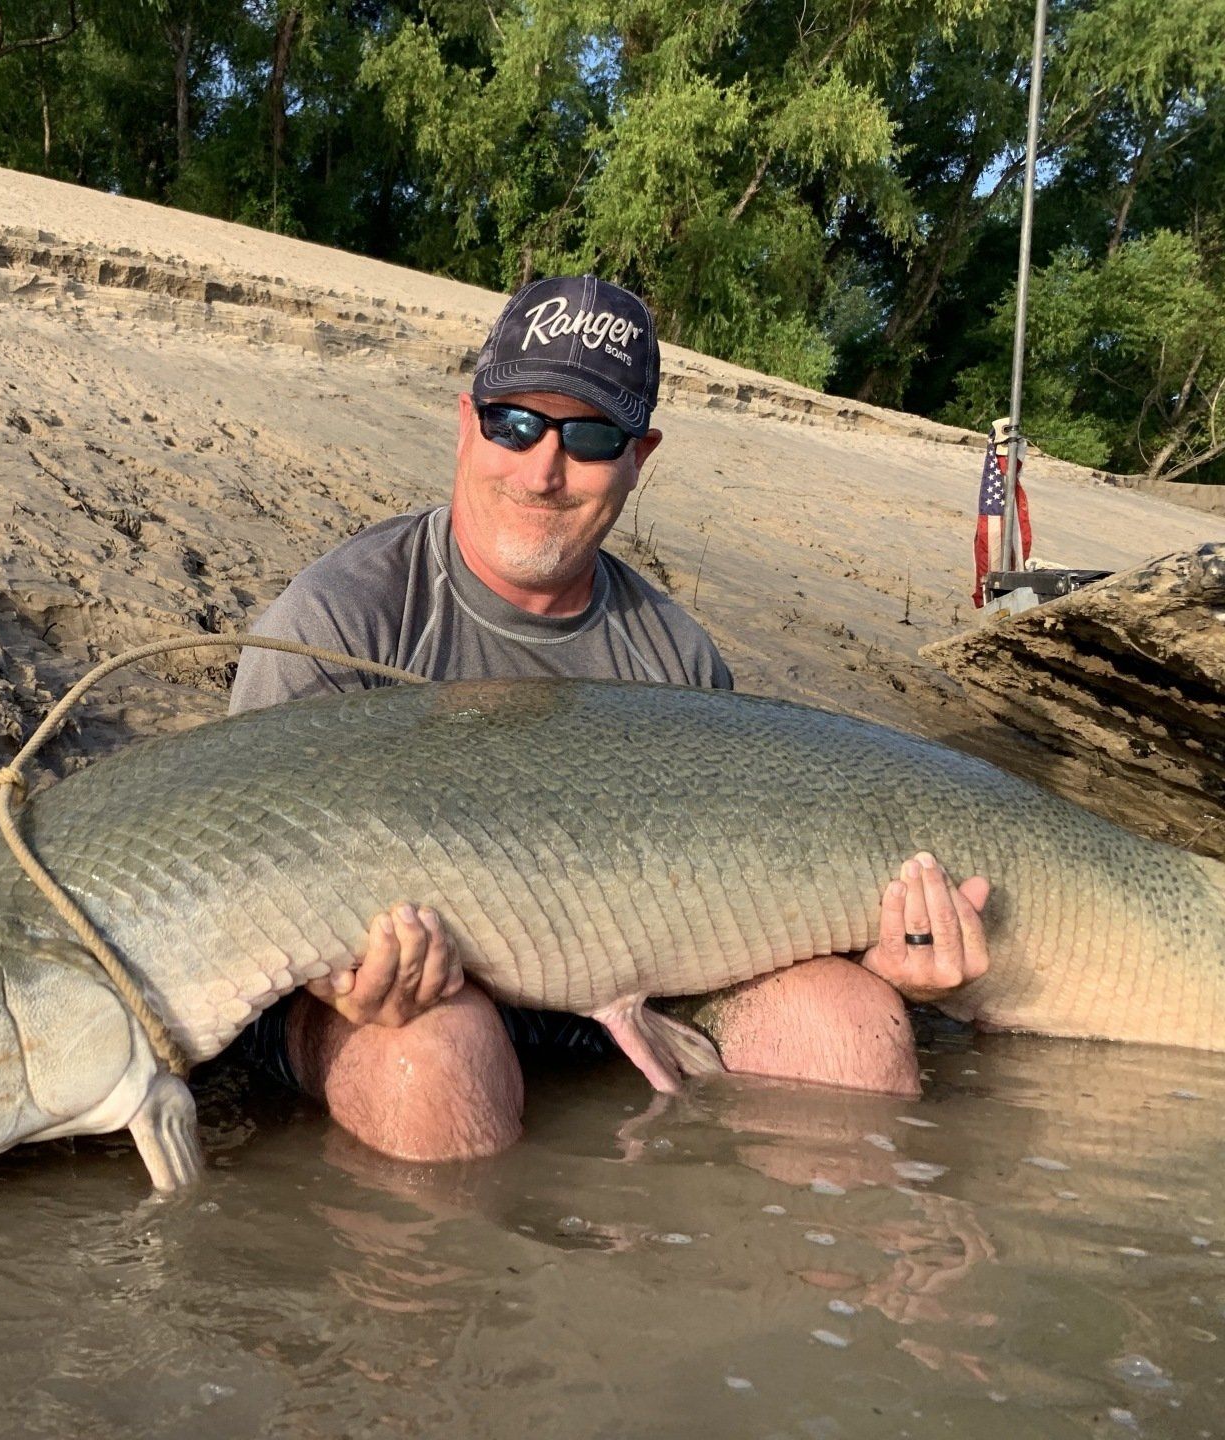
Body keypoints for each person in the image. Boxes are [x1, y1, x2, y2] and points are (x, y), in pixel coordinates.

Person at [230, 275, 992, 1163]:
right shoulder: (337, 618)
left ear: (641, 456)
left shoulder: (675, 660)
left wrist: (890, 961)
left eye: (590, 437)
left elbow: (742, 902)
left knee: (849, 1028)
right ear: (465, 421)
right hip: (399, 1002)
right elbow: (251, 888)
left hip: (632, 987)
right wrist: (339, 977)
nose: (543, 470)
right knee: (435, 1061)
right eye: (513, 424)